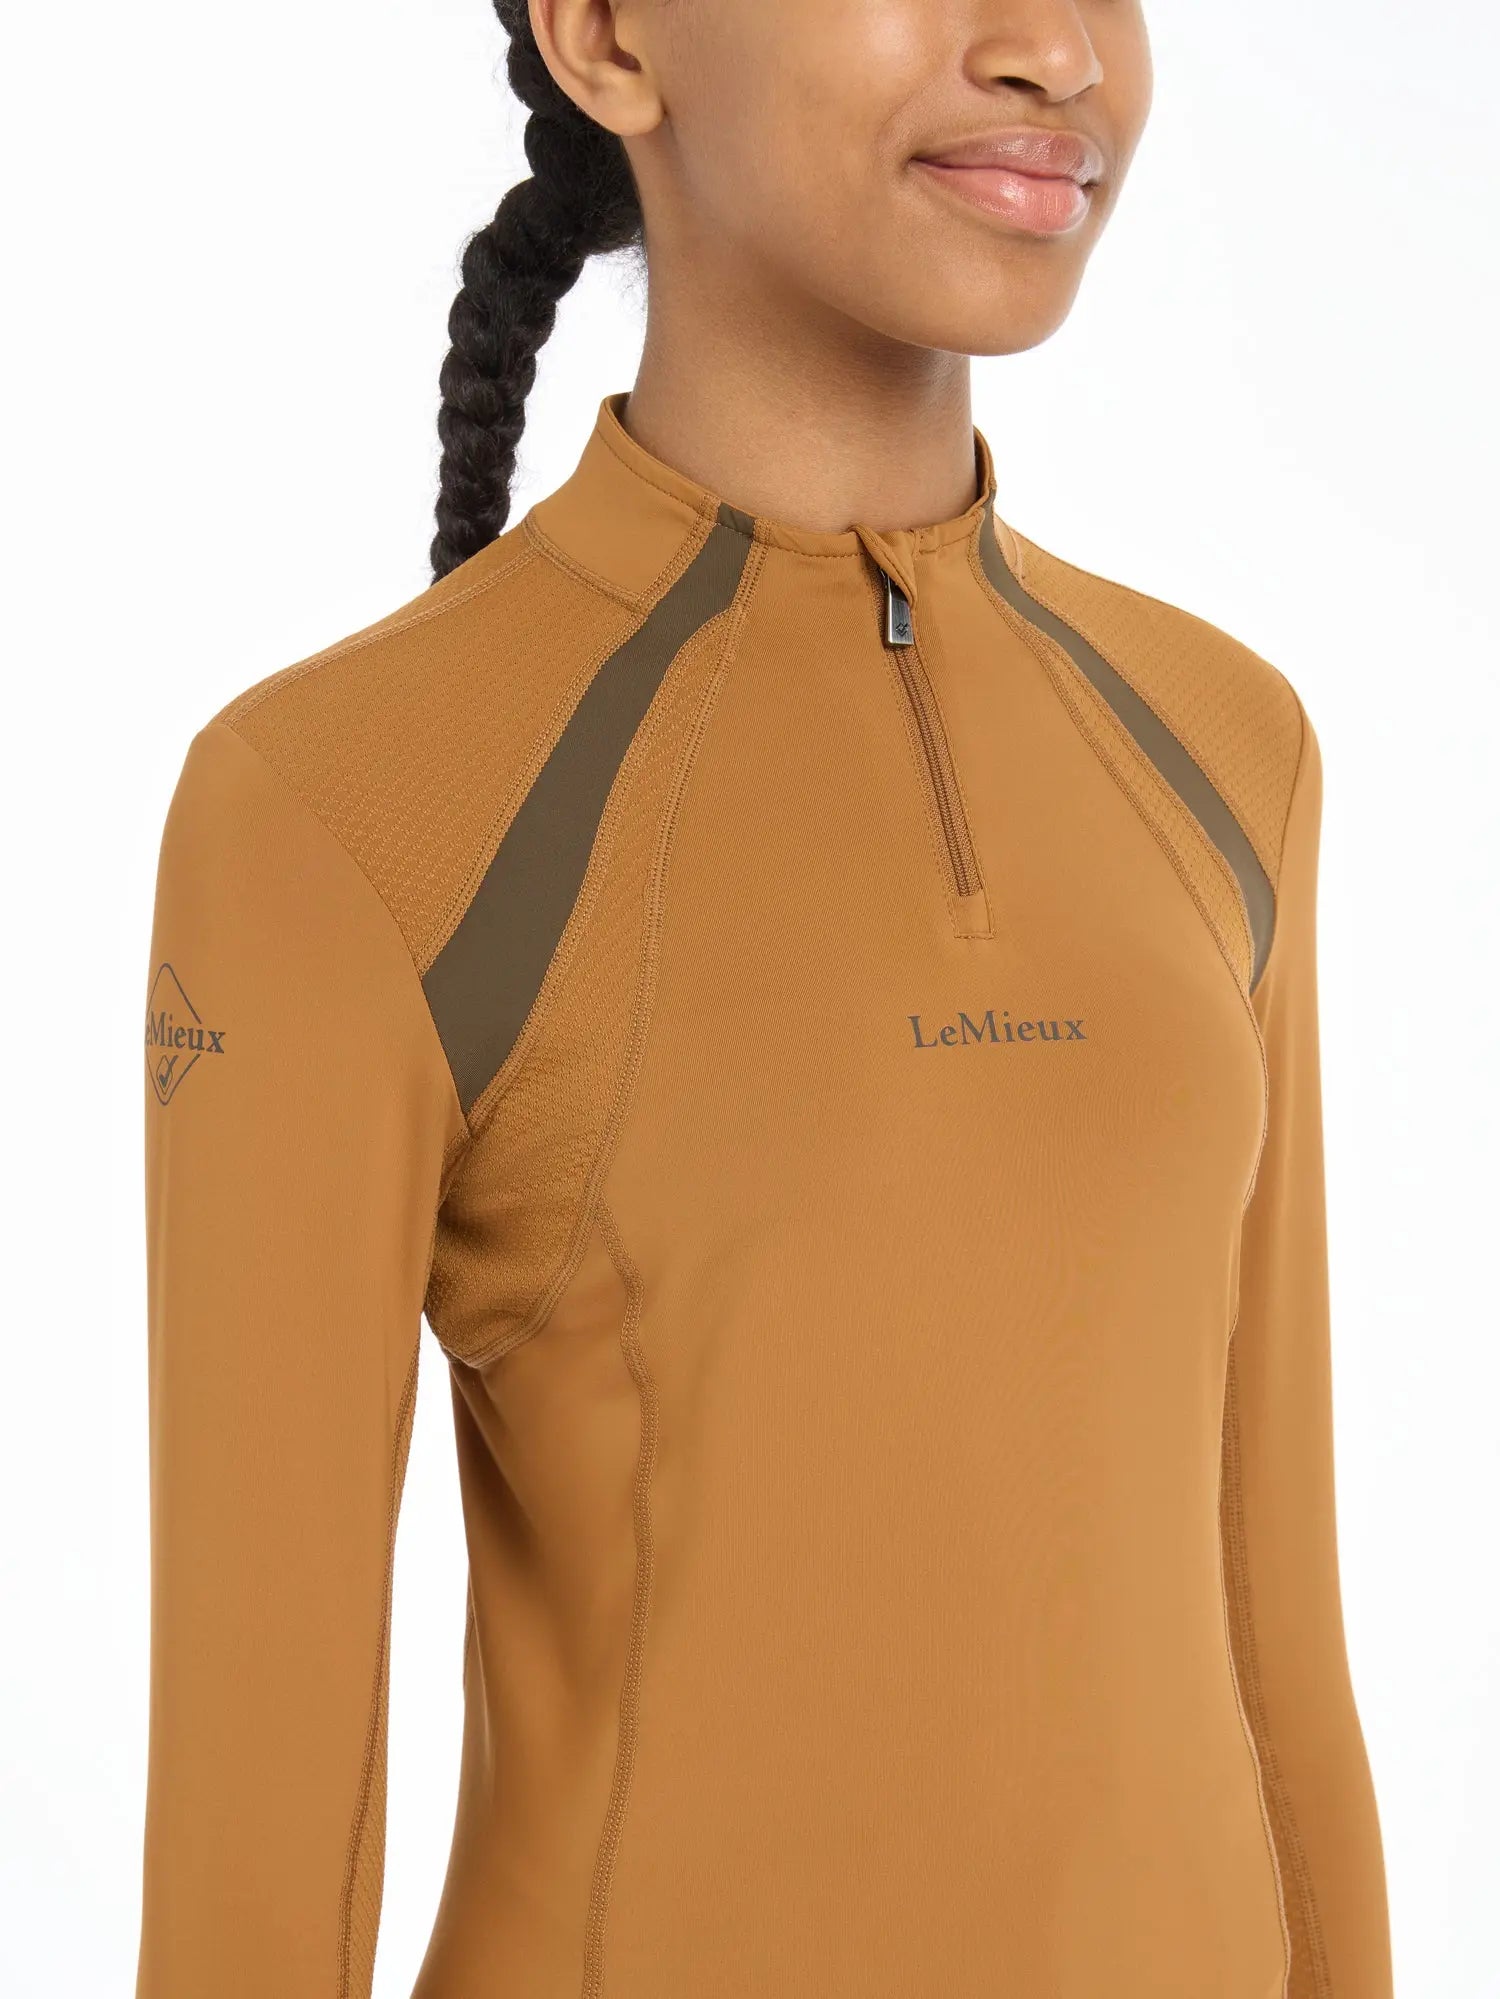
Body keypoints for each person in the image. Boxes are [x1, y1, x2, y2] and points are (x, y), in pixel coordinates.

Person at [135, 3, 1393, 1995]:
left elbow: (1284, 1661)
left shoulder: (1228, 752)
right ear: (607, 37)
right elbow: (254, 1871)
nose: (1057, 51)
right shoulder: (339, 802)